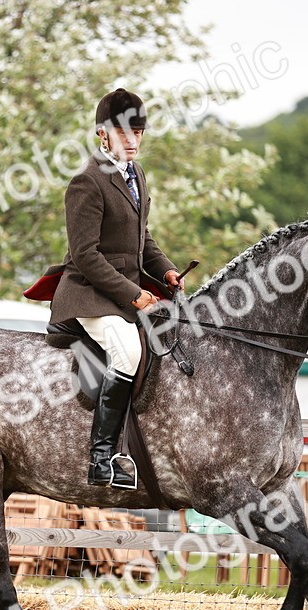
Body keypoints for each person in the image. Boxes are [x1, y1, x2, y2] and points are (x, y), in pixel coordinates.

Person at [49, 88, 183, 489]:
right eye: (123, 132)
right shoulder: (86, 182)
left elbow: (143, 238)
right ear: (101, 134)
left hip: (122, 292)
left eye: (138, 132)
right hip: (88, 293)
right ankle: (102, 459)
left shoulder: (136, 175)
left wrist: (166, 272)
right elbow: (86, 256)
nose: (132, 140)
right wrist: (134, 294)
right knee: (127, 351)